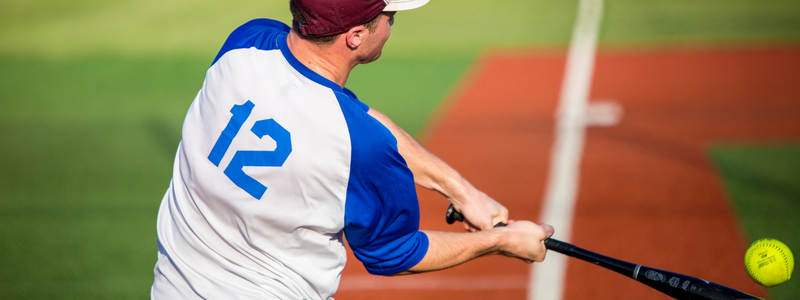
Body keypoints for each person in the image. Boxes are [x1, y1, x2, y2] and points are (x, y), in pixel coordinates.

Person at [150, 0, 554, 299]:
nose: (392, 26)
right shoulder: (358, 147)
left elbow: (355, 117)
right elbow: (394, 253)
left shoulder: (246, 43)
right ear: (356, 36)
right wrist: (500, 242)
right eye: (389, 18)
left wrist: (460, 189)